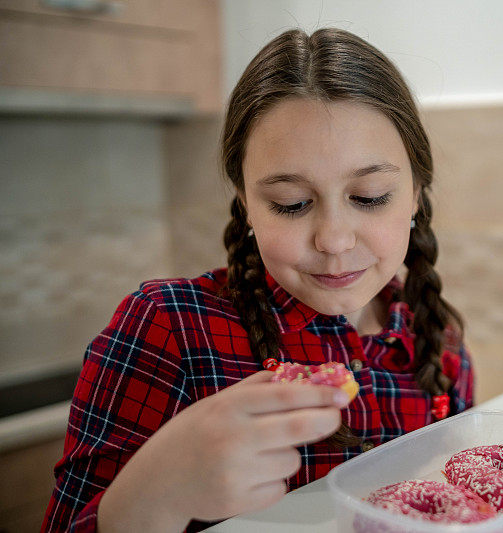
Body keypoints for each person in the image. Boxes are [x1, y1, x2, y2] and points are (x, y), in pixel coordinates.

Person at [41, 27, 474, 532]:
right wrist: (155, 490)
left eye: (370, 196)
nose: (333, 240)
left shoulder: (437, 340)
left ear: (416, 194)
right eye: (291, 203)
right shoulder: (168, 327)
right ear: (247, 203)